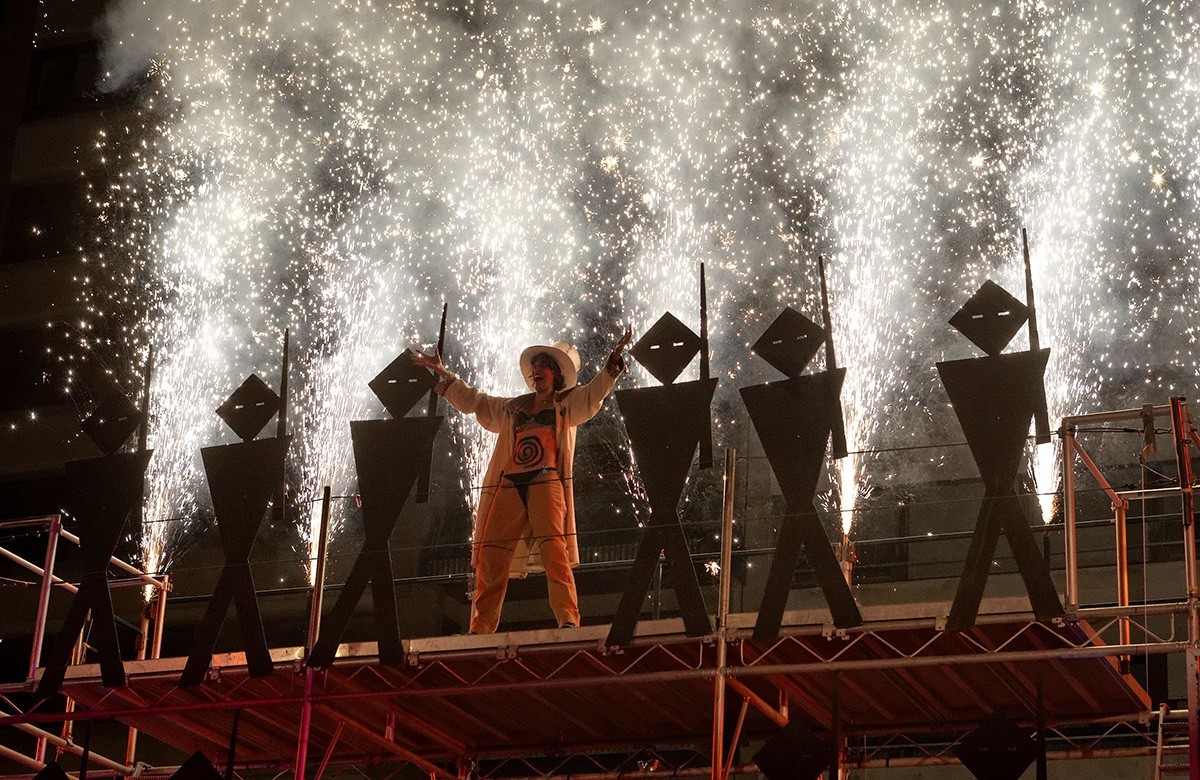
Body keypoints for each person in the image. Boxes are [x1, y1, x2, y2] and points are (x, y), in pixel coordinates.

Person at [411, 326, 633, 634]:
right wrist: (443, 373)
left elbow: (593, 394)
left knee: (554, 550)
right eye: (534, 365)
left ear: (556, 372)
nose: (535, 370)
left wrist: (611, 366)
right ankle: (480, 627)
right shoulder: (514, 406)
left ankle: (568, 619)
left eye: (543, 365)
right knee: (491, 555)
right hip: (510, 482)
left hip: (546, 480)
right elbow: (477, 401)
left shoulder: (566, 403)